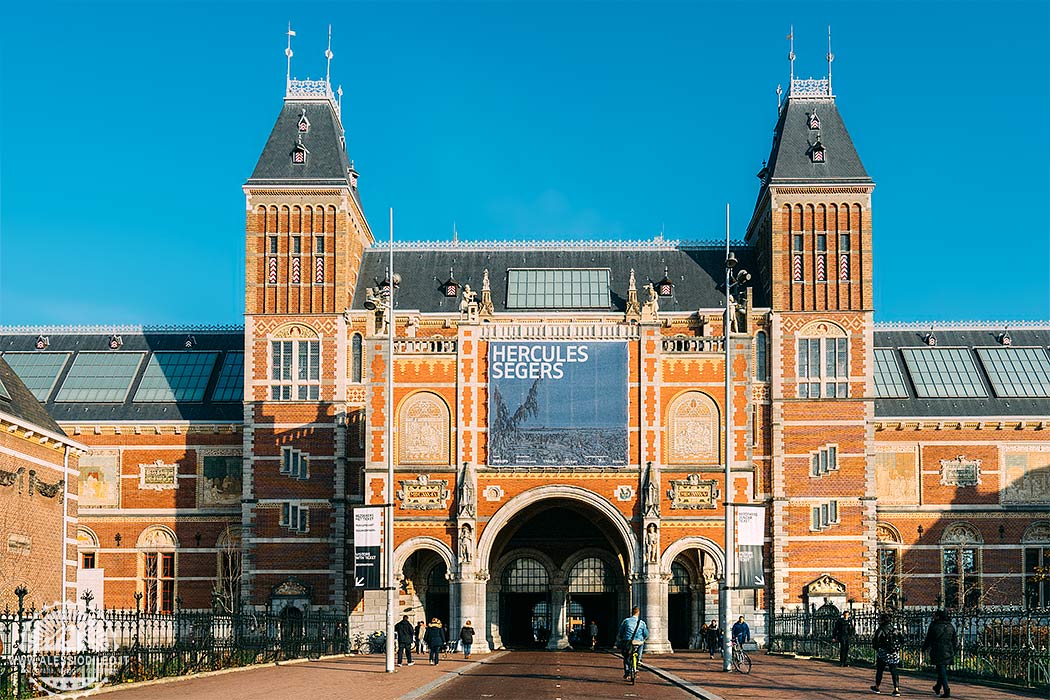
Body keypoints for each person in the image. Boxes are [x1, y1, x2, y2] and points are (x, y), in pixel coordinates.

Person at [922, 610, 958, 698]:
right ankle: (937, 687)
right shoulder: (950, 626)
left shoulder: (934, 625)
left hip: (938, 650)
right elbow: (954, 640)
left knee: (941, 670)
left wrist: (924, 648)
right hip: (948, 650)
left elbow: (928, 638)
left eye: (935, 615)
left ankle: (946, 690)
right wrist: (955, 650)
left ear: (938, 616)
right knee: (942, 670)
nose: (933, 617)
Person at [871, 613, 903, 697]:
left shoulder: (881, 629)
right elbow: (902, 639)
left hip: (884, 652)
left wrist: (878, 648)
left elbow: (875, 640)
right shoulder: (894, 629)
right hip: (894, 653)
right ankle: (896, 689)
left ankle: (877, 687)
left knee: (880, 670)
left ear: (883, 620)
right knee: (894, 671)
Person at [616, 606, 650, 680]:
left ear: (632, 612)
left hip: (627, 641)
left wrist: (621, 638)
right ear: (638, 613)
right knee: (641, 643)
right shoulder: (642, 622)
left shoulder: (626, 621)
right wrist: (644, 638)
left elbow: (621, 631)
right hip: (638, 641)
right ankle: (639, 659)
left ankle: (627, 672)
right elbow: (646, 634)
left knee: (626, 656)